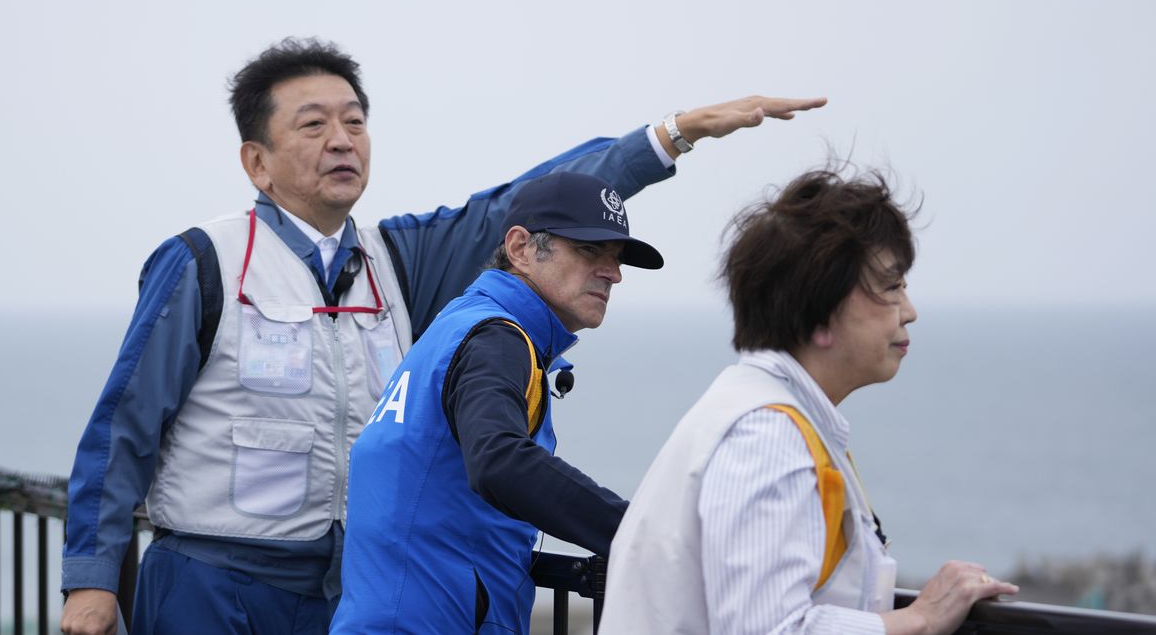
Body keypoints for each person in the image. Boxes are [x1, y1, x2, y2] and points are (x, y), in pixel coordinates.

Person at [58, 35, 827, 635]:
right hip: (211, 583)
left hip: (342, 587)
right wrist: (91, 578)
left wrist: (669, 136)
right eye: (314, 124)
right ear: (256, 161)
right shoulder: (205, 260)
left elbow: (519, 209)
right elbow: (124, 422)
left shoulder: (396, 261)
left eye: (355, 121)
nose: (342, 140)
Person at [598, 169, 1019, 635]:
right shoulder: (766, 435)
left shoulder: (754, 408)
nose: (909, 311)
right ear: (819, 312)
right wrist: (920, 619)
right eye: (891, 286)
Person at [331, 171, 663, 634]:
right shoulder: (498, 338)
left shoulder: (462, 324)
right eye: (590, 250)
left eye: (616, 257)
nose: (614, 273)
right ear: (520, 248)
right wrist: (642, 532)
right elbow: (499, 461)